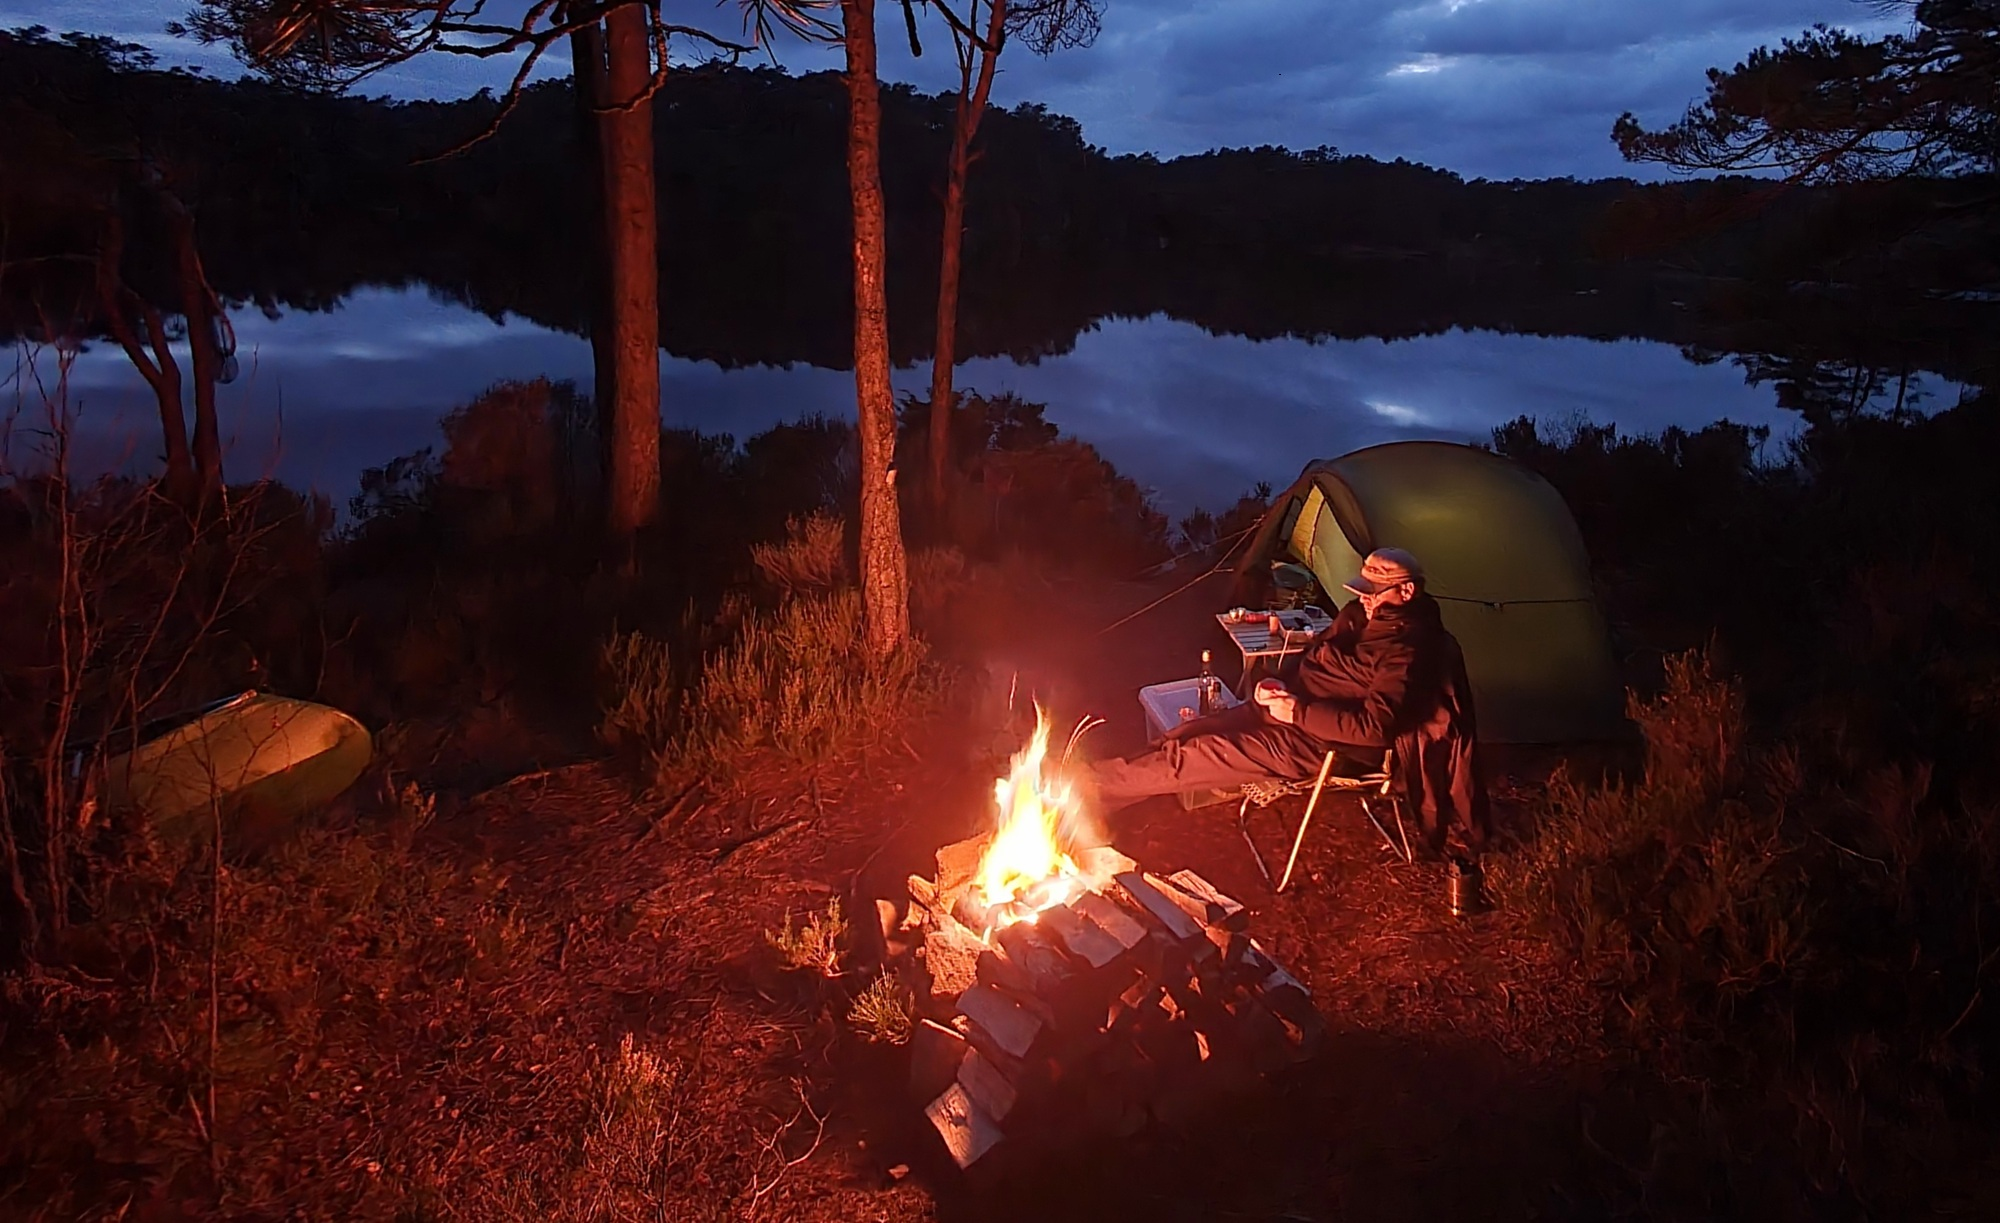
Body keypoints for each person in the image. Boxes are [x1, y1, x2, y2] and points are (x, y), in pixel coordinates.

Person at [1089, 547, 1449, 810]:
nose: (1363, 600)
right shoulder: (1357, 615)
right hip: (1289, 711)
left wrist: (1298, 712)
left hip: (1322, 744)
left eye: (1372, 593)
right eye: (1360, 590)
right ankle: (1093, 803)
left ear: (1406, 591)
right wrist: (1277, 683)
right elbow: (1313, 657)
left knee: (1198, 755)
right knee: (1185, 733)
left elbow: (1376, 729)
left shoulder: (1407, 650)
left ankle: (1077, 790)